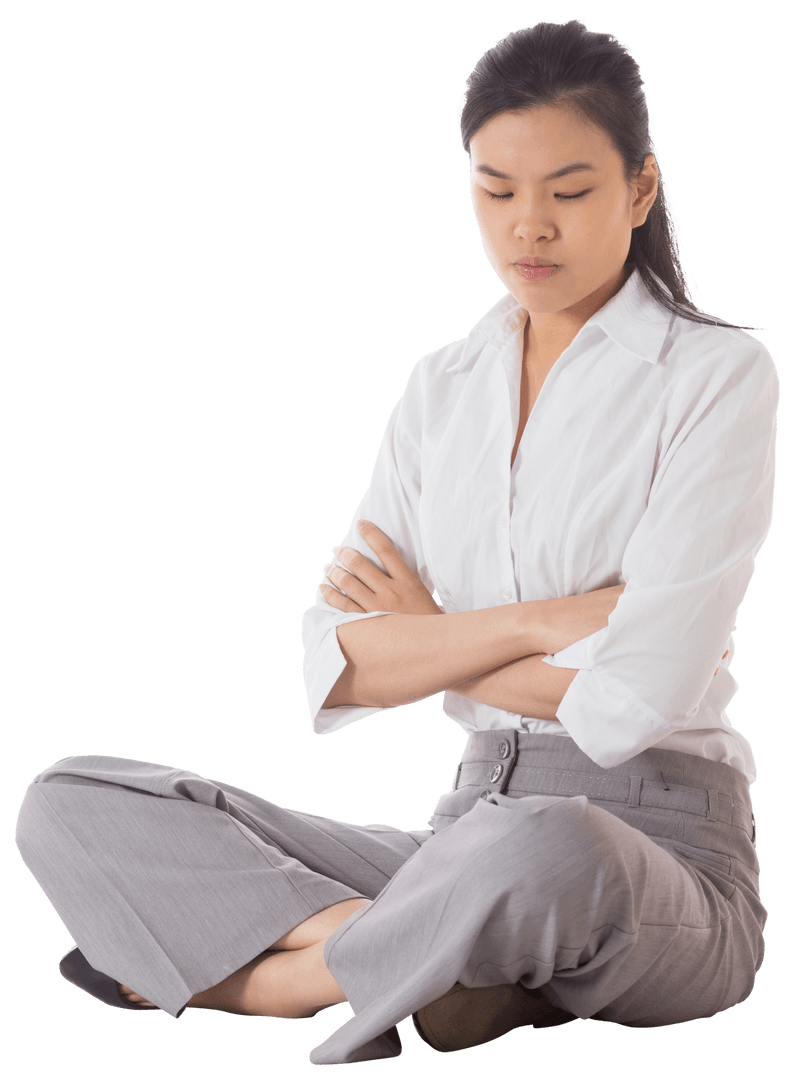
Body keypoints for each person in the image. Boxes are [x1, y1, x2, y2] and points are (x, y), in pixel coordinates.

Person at [14, 18, 778, 1066]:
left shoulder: (716, 375)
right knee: (67, 800)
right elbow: (341, 657)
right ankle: (439, 964)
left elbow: (639, 700)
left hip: (657, 849)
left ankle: (283, 981)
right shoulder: (442, 388)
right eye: (495, 189)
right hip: (460, 831)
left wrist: (435, 640)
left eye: (569, 189)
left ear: (640, 192)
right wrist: (549, 625)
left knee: (541, 843)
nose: (529, 227)